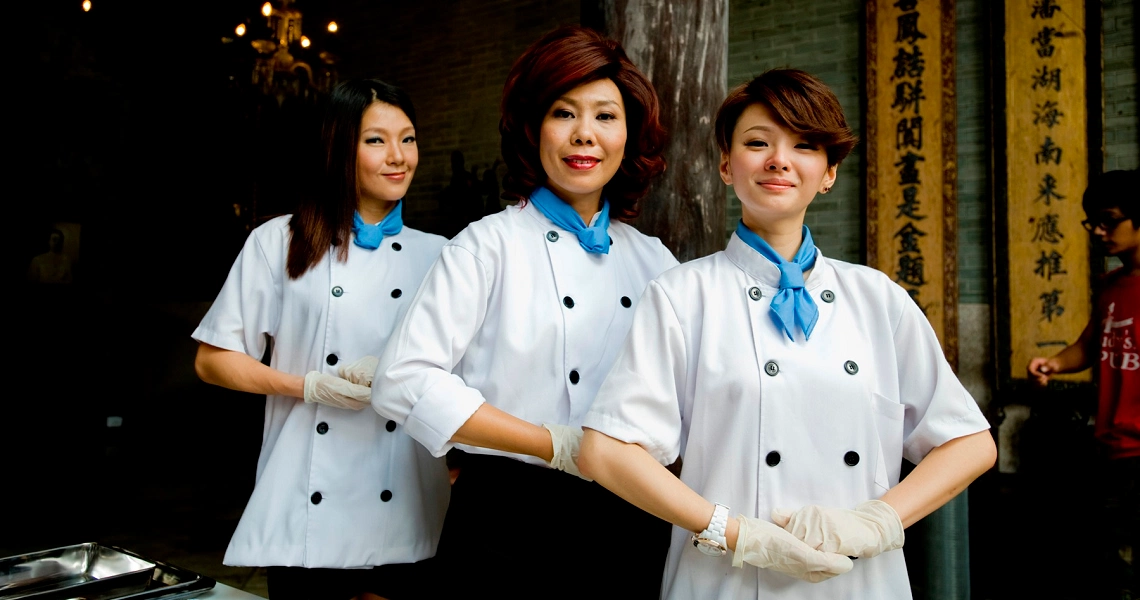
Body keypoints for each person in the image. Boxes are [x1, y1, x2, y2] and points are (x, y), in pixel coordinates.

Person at [576, 68, 997, 599]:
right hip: (725, 579)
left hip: (860, 581)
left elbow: (969, 442)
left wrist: (879, 521)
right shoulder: (681, 296)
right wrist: (736, 533)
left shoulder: (877, 297)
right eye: (757, 142)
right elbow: (606, 452)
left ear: (829, 173)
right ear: (727, 165)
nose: (779, 159)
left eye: (804, 145)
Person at [369, 25, 678, 599]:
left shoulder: (654, 259)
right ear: (533, 127)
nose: (584, 134)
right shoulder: (485, 246)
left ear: (629, 134)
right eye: (564, 113)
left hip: (631, 519)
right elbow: (402, 380)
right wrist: (551, 444)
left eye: (606, 116)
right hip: (505, 519)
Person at [191, 79, 450, 600]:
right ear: (337, 146)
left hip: (407, 502)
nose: (398, 157)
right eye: (376, 140)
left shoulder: (444, 255)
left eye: (409, 139)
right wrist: (309, 386)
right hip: (307, 514)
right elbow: (213, 361)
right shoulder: (278, 241)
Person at [1027, 168, 1138, 599]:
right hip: (1112, 449)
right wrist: (1054, 364)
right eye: (1092, 221)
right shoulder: (1112, 285)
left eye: (1109, 219)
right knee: (1109, 568)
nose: (1098, 231)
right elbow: (1091, 344)